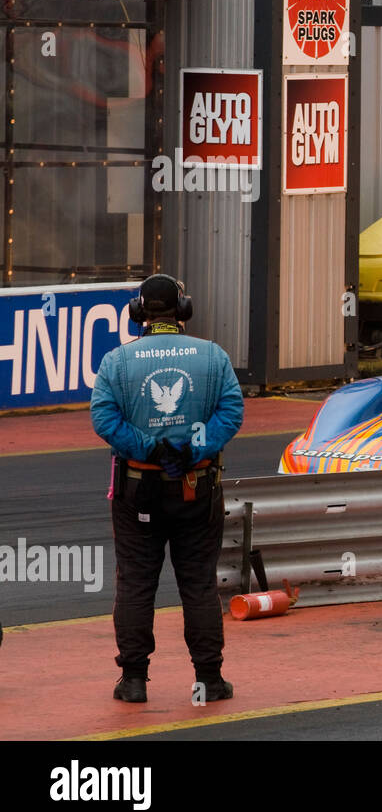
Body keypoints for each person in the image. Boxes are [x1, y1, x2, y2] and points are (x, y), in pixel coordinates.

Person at [90, 274, 244, 704]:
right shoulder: (212, 357)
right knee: (198, 584)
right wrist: (192, 449)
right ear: (183, 310)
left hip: (139, 489)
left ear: (139, 312)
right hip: (197, 487)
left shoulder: (117, 361)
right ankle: (209, 681)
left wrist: (150, 449)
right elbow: (232, 411)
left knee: (136, 584)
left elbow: (103, 418)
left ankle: (134, 681)